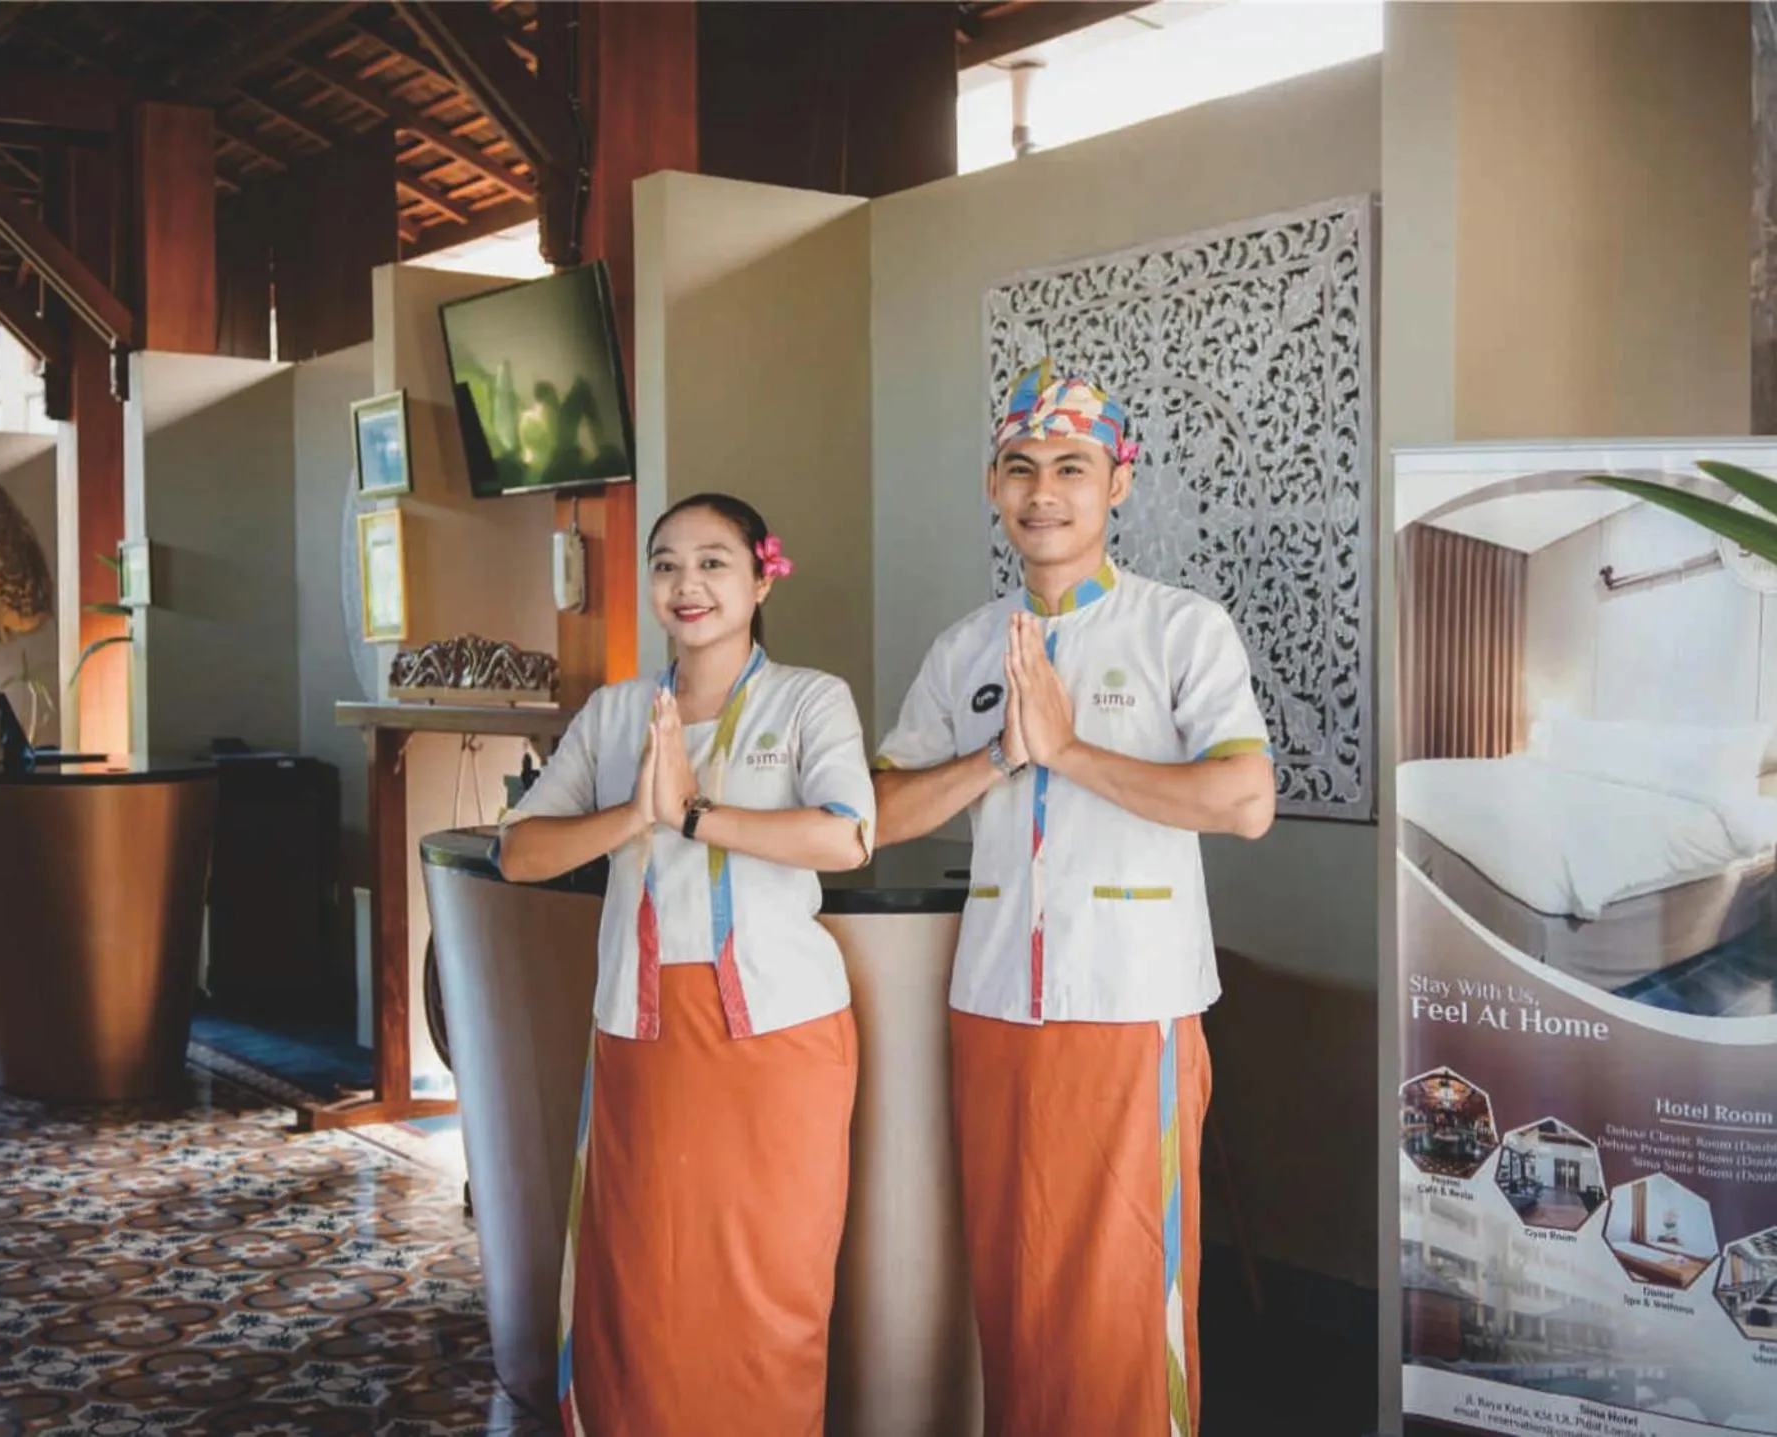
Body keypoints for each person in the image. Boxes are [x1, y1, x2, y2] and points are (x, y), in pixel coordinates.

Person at [872, 362, 1277, 1437]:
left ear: (1117, 485)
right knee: (1014, 1295)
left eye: (1070, 467)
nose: (1042, 491)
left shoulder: (1180, 631)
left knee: (1120, 1302)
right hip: (995, 1007)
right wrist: (995, 760)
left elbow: (1243, 800)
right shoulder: (965, 648)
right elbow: (873, 809)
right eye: (1019, 469)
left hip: (1127, 1008)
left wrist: (1069, 750)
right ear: (991, 486)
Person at [497, 492, 873, 1437]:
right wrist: (635, 813)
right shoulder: (617, 711)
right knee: (643, 1284)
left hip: (778, 1038)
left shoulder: (808, 698)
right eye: (666, 563)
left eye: (712, 561)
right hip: (641, 1031)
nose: (687, 583)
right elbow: (519, 850)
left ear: (760, 575)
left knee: (767, 1286)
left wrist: (696, 814)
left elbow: (847, 835)